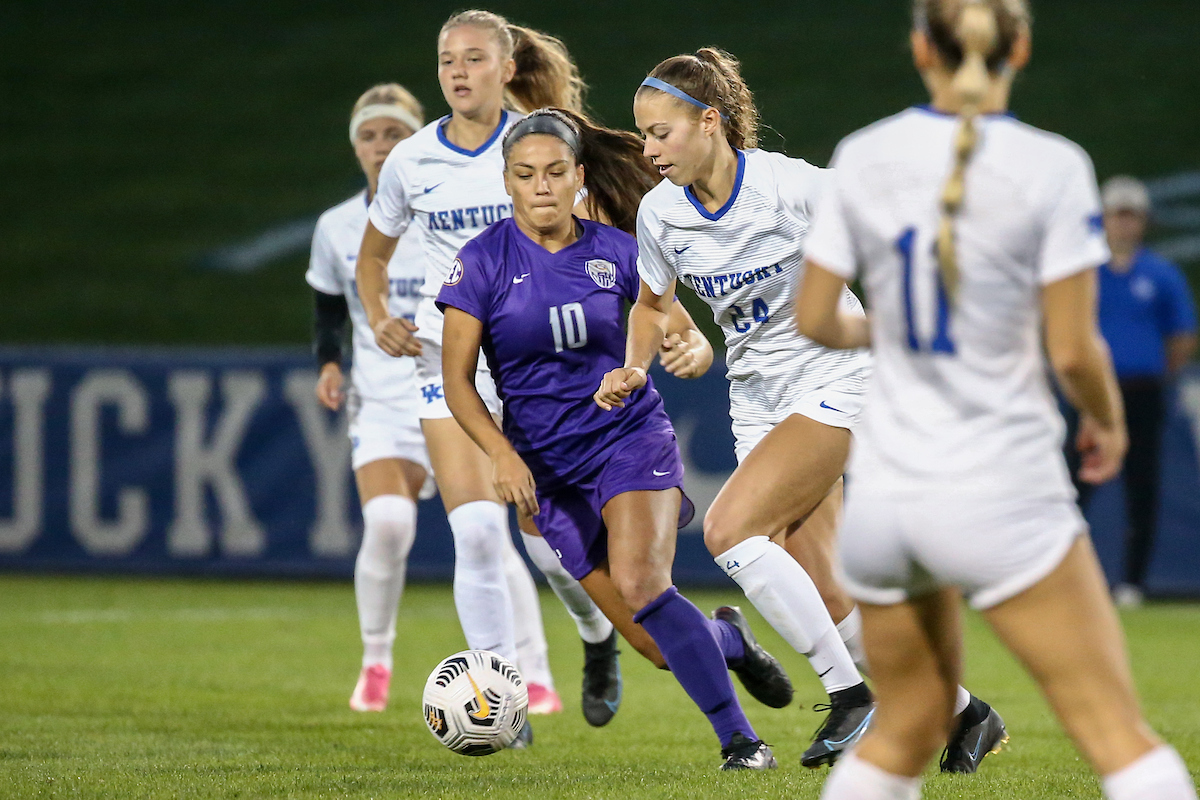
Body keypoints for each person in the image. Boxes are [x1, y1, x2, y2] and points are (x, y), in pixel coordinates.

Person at [796, 1, 1199, 798]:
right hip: (996, 487)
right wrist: (1108, 422)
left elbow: (815, 318)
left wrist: (906, 332)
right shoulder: (1051, 165)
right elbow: (1075, 349)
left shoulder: (863, 153)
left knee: (905, 731)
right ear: (1019, 45)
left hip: (884, 500)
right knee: (1116, 733)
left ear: (919, 48)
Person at [599, 48, 1000, 771]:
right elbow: (652, 304)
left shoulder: (790, 188)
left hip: (838, 375)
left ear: (710, 122)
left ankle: (850, 699)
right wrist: (633, 366)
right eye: (643, 135)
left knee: (729, 530)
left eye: (661, 132)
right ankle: (965, 713)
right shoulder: (660, 215)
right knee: (831, 597)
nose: (649, 149)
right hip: (757, 398)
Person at [440, 107, 791, 770]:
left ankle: (741, 743)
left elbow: (682, 331)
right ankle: (731, 643)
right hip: (546, 473)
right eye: (525, 174)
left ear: (578, 177)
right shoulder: (480, 263)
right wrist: (502, 454)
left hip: (628, 440)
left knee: (641, 581)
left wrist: (692, 351)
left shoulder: (620, 252)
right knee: (657, 644)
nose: (541, 186)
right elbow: (457, 382)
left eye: (553, 172)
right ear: (507, 183)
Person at [355, 10, 619, 733]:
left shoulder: (541, 143)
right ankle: (499, 699)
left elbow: (596, 243)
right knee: (475, 534)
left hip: (539, 367)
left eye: (474, 58)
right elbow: (372, 260)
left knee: (555, 545)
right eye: (447, 60)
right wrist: (380, 315)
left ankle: (597, 640)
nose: (458, 71)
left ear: (507, 69)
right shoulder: (412, 161)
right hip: (455, 360)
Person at [306, 84, 432, 712]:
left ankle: (536, 671)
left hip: (462, 395)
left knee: (510, 533)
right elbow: (330, 309)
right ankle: (376, 661)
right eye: (369, 135)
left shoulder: (446, 210)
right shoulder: (337, 227)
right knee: (387, 522)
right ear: (355, 146)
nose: (382, 146)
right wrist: (330, 363)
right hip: (382, 401)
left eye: (395, 134)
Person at [1066, 175, 1197, 607]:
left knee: (1142, 485)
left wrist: (1159, 372)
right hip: (1086, 391)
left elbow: (1180, 336)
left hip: (1141, 392)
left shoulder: (1160, 274)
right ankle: (1068, 582)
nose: (1123, 224)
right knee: (1071, 487)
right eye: (1116, 215)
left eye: (1131, 216)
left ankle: (1132, 585)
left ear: (1143, 221)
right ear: (1102, 219)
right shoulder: (1082, 273)